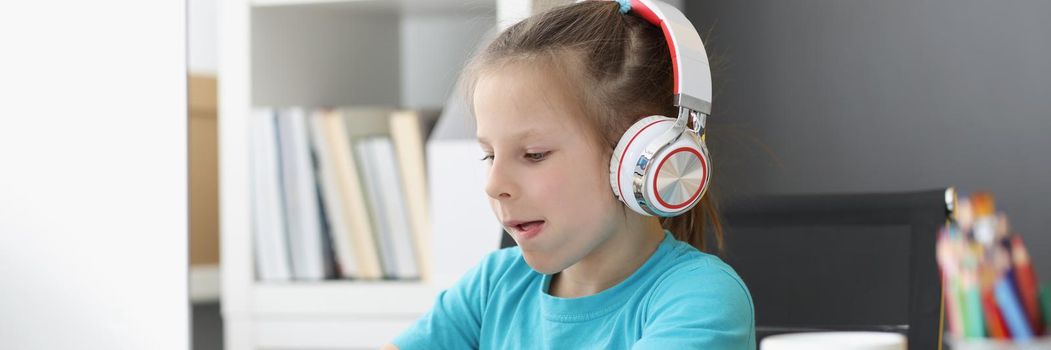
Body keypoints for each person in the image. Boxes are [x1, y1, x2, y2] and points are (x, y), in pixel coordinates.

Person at [386, 1, 755, 348]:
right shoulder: (493, 285)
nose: (494, 184)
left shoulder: (701, 297)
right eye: (489, 156)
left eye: (534, 154)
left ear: (640, 156)